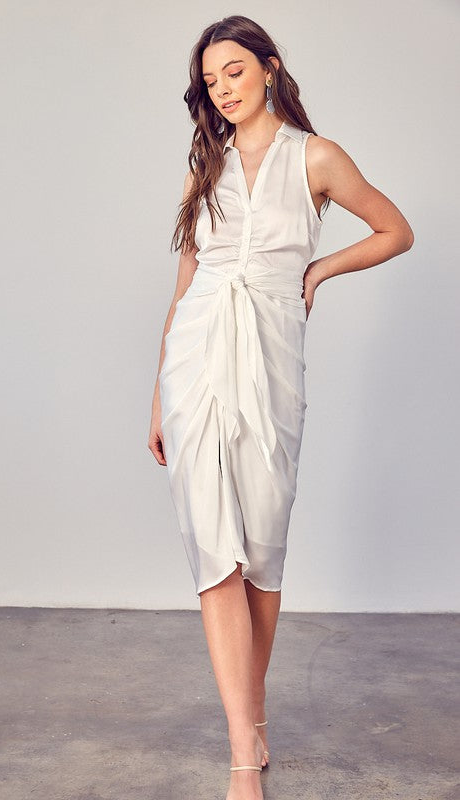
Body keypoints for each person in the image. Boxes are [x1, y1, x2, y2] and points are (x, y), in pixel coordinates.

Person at [148, 15, 414, 800]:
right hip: (195, 359)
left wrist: (321, 269)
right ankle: (241, 757)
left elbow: (395, 229)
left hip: (269, 361)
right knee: (213, 551)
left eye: (233, 71)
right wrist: (157, 392)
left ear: (267, 67)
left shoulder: (316, 156)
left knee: (260, 553)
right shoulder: (207, 163)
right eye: (209, 80)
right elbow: (185, 282)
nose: (221, 89)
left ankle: (254, 717)